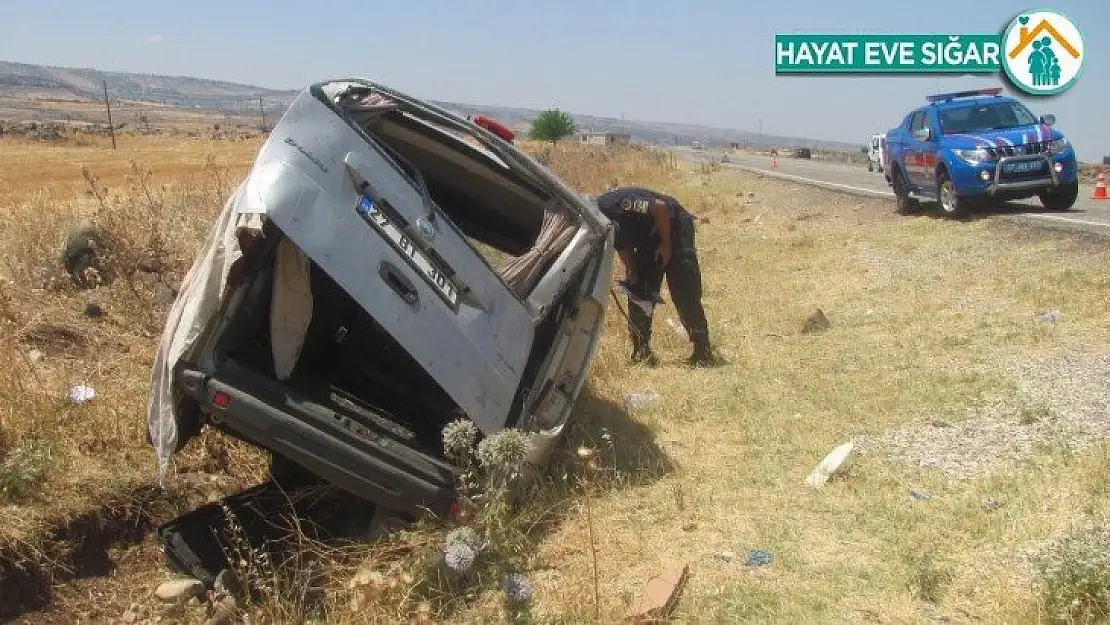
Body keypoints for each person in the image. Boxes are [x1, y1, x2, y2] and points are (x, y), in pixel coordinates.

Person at [594, 185, 718, 367]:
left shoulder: (615, 205)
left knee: (683, 289)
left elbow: (659, 207)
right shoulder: (599, 224)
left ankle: (703, 351)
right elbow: (622, 243)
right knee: (639, 291)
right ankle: (642, 352)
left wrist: (667, 246)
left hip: (673, 225)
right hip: (648, 237)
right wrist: (632, 269)